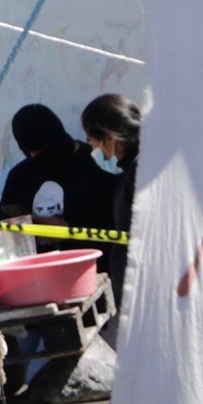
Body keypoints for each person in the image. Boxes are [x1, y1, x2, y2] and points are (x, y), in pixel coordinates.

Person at [78, 93, 143, 300]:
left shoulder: (139, 171)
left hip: (141, 291)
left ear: (110, 138)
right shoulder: (135, 169)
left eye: (92, 140)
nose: (92, 148)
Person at [0, 105, 80, 228]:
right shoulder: (19, 176)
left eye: (46, 150)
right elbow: (4, 231)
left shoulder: (96, 167)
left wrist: (68, 234)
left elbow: (111, 227)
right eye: (34, 153)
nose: (41, 157)